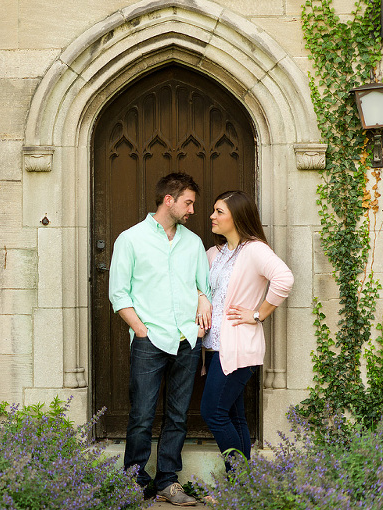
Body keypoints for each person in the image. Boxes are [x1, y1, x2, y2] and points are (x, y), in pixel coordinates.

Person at [109, 172, 211, 507]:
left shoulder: (192, 243)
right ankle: (135, 482)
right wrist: (140, 329)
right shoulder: (131, 240)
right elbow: (118, 294)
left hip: (186, 341)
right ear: (169, 200)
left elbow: (203, 287)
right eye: (188, 202)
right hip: (149, 341)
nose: (192, 209)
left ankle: (168, 482)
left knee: (178, 416)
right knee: (141, 415)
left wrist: (200, 310)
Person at [200, 190, 293, 472]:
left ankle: (237, 480)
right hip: (216, 347)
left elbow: (284, 279)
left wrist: (258, 314)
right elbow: (202, 288)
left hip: (239, 347)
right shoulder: (215, 253)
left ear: (237, 217)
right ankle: (243, 487)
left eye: (219, 212)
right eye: (213, 210)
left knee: (213, 413)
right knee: (234, 416)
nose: (212, 216)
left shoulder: (254, 250)